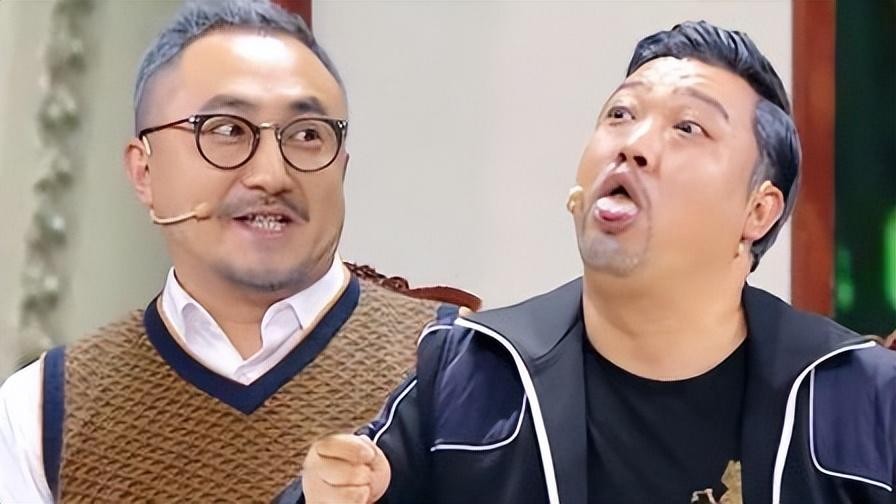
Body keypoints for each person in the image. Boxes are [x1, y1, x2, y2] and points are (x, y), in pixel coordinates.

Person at [296, 21, 896, 504]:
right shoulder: (471, 370)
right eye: (620, 115)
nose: (632, 145)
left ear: (757, 212)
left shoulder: (859, 395)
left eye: (688, 127)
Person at [0, 1, 476, 502]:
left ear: (342, 165)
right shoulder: (44, 410)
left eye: (307, 135)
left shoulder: (458, 364)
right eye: (227, 130)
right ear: (144, 171)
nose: (272, 175)